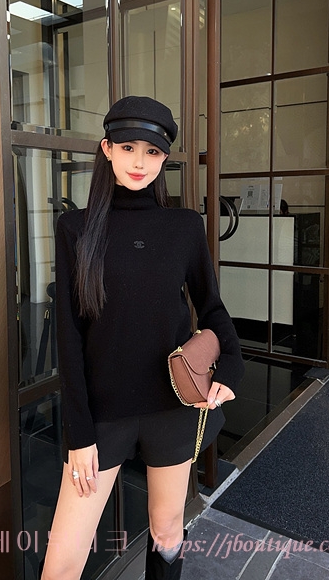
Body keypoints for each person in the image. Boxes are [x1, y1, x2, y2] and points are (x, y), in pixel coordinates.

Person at [41, 96, 245, 580]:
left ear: (164, 158)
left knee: (168, 532)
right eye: (128, 147)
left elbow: (212, 308)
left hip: (171, 409)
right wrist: (79, 435)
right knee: (62, 564)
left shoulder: (183, 226)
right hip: (102, 417)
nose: (139, 161)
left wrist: (232, 367)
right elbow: (69, 336)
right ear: (107, 149)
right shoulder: (75, 228)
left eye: (152, 151)